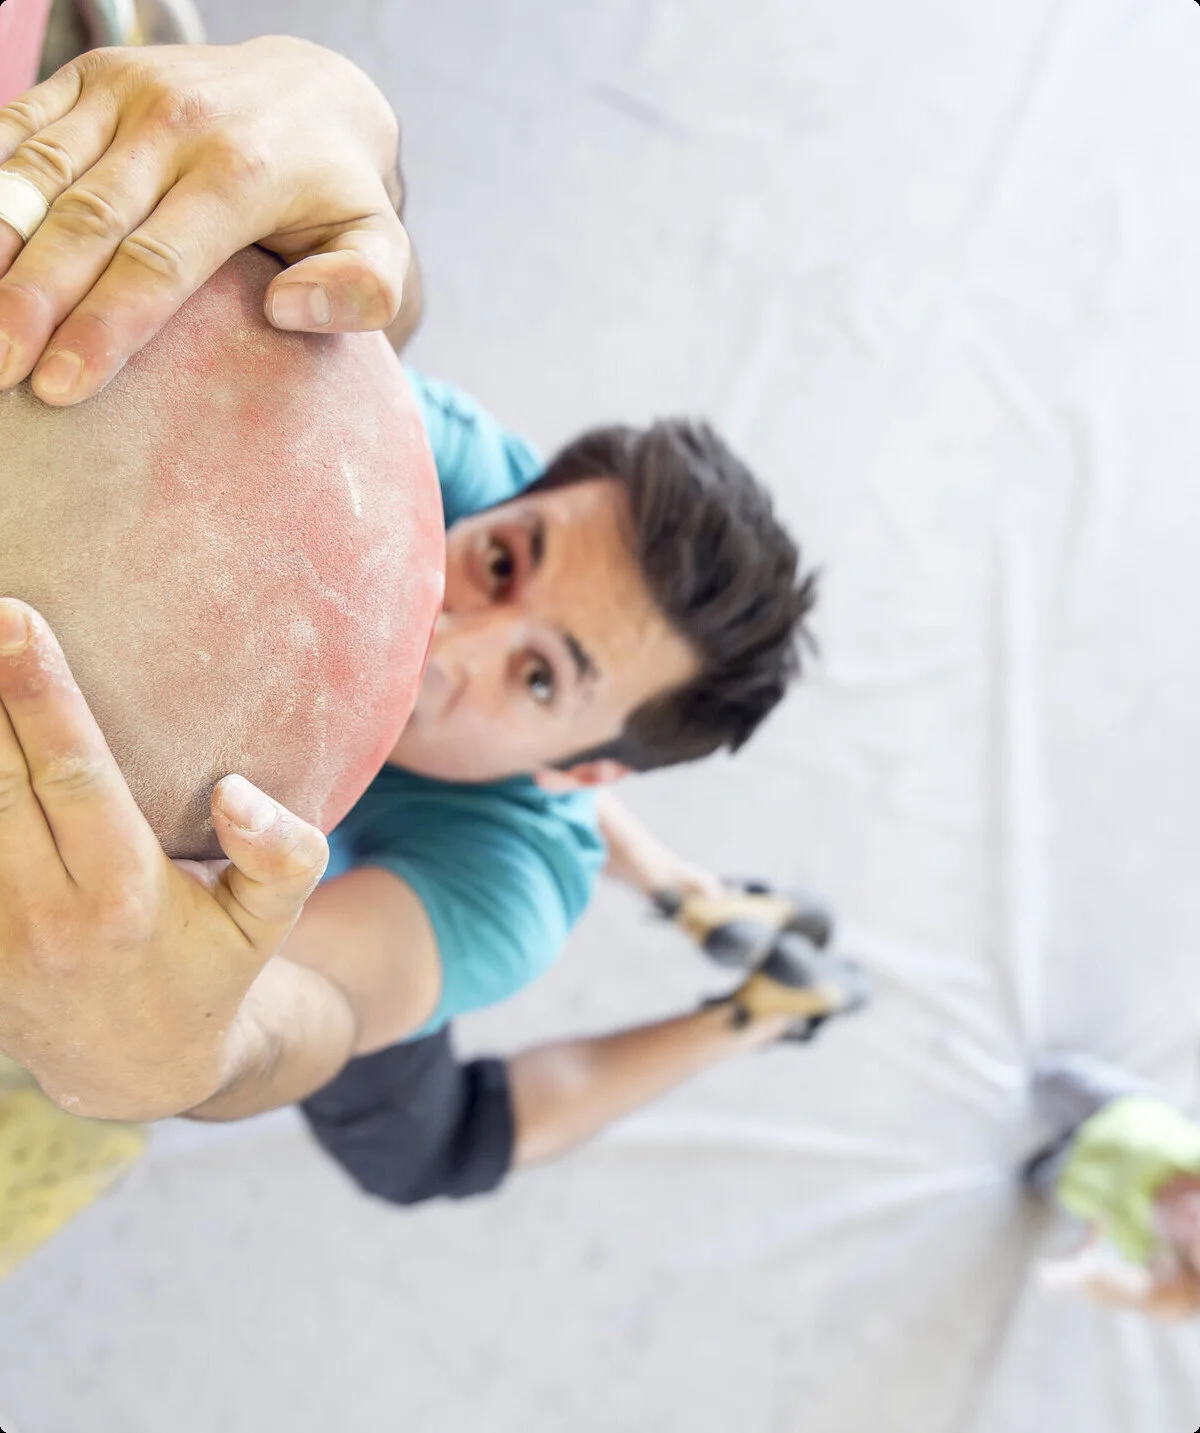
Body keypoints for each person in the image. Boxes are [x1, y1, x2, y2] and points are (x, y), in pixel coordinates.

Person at [0, 37, 831, 1208]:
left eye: (537, 676)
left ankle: (756, 1014)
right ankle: (675, 873)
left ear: (578, 767)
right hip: (531, 752)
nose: (448, 630)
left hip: (425, 852)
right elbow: (360, 314)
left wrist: (185, 1048)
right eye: (501, 561)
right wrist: (355, 136)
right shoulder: (436, 477)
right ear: (512, 501)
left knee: (424, 1151)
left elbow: (305, 1006)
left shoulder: (508, 878)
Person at [1026, 1054, 1200, 1319]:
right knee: (1045, 1076)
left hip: (1073, 1175)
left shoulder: (1164, 1259)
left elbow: (1140, 1292)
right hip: (1121, 1110)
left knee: (1029, 1176)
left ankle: (1059, 1147)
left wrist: (1086, 1271)